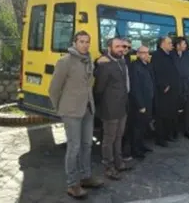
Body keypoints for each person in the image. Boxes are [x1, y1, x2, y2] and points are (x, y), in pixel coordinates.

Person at [49, 31, 103, 199]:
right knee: (74, 147)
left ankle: (86, 176)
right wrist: (61, 108)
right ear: (74, 42)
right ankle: (73, 184)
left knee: (87, 145)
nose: (85, 44)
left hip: (88, 109)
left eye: (87, 41)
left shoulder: (88, 61)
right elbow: (53, 89)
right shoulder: (65, 62)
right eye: (81, 41)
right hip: (71, 112)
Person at [93, 37, 131, 180]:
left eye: (122, 46)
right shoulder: (104, 64)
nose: (121, 49)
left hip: (122, 107)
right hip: (110, 109)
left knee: (119, 137)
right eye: (117, 46)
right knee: (109, 139)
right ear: (110, 48)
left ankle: (119, 162)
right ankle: (108, 167)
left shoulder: (122, 61)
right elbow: (99, 89)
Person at [151, 36, 180, 147]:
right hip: (163, 91)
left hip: (172, 90)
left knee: (170, 114)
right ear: (162, 44)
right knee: (161, 116)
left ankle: (168, 135)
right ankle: (160, 139)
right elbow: (157, 72)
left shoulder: (170, 55)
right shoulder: (156, 55)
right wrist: (164, 85)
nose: (171, 45)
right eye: (169, 43)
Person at [130, 46, 155, 158]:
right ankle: (136, 150)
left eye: (147, 52)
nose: (146, 55)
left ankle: (142, 145)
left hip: (148, 100)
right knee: (137, 127)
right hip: (141, 103)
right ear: (138, 54)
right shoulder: (135, 66)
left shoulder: (147, 65)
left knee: (145, 125)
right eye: (143, 53)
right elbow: (135, 88)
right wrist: (141, 105)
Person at [170, 37, 189, 139]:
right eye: (183, 44)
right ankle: (174, 131)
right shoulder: (171, 55)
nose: (185, 46)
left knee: (188, 110)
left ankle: (187, 131)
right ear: (177, 45)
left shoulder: (188, 55)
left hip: (186, 86)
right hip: (175, 87)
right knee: (174, 110)